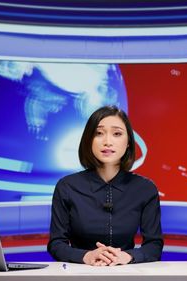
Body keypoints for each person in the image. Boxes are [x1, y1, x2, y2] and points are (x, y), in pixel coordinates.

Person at [47, 105, 163, 266]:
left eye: (117, 134)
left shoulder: (145, 188)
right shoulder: (67, 186)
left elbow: (154, 245)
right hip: (80, 274)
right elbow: (56, 244)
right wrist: (86, 256)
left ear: (128, 142)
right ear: (89, 140)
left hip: (126, 273)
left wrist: (127, 257)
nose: (108, 142)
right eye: (99, 133)